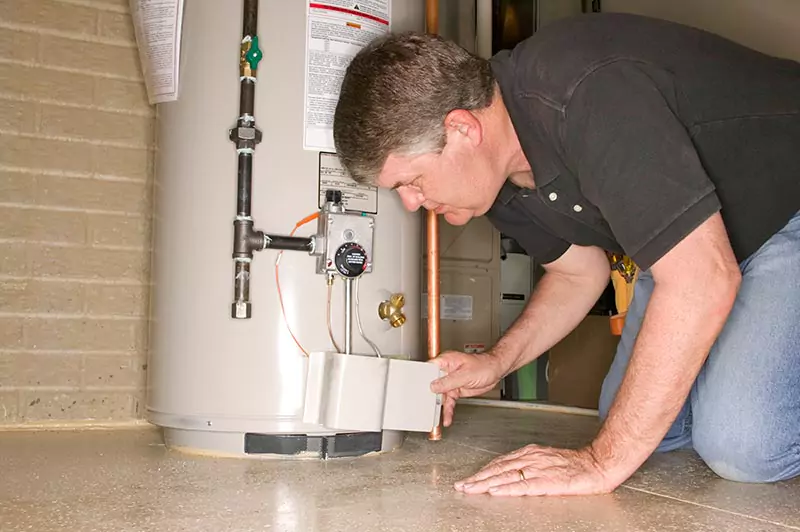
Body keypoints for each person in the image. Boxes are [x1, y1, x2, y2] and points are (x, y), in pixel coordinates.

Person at [333, 12, 800, 497]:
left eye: (410, 182)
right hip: (707, 244)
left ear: (462, 129)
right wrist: (497, 361)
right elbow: (578, 274)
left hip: (788, 206)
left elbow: (702, 280)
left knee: (743, 446)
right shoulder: (496, 178)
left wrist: (600, 463)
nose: (411, 203)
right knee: (644, 424)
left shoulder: (586, 93)